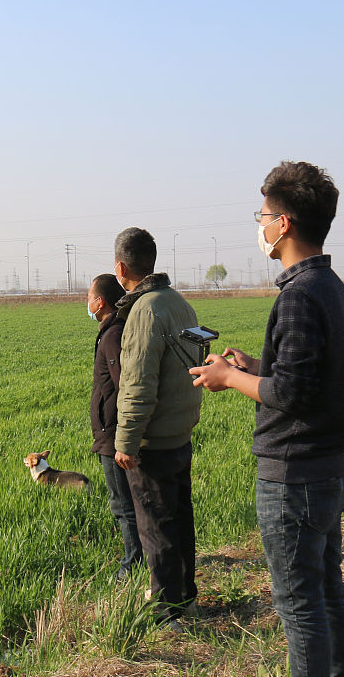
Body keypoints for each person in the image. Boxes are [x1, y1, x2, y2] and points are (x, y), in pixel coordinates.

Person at [190, 161, 344, 677]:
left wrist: (226, 377)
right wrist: (256, 368)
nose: (260, 225)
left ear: (283, 223)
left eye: (263, 215)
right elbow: (308, 380)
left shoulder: (299, 295)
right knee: (327, 591)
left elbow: (289, 393)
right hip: (329, 469)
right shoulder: (328, 285)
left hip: (295, 478)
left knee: (299, 606)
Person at [111, 227, 203, 627]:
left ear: (120, 268)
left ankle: (168, 613)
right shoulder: (177, 302)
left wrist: (127, 441)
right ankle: (187, 596)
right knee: (179, 517)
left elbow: (138, 382)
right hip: (180, 429)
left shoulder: (145, 311)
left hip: (155, 438)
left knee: (155, 526)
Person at [87, 273, 142, 582]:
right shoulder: (113, 330)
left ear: (101, 302)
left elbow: (124, 386)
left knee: (123, 505)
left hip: (114, 436)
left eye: (89, 297)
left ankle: (132, 565)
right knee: (130, 502)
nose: (87, 303)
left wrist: (122, 436)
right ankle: (141, 557)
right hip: (113, 433)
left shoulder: (112, 335)